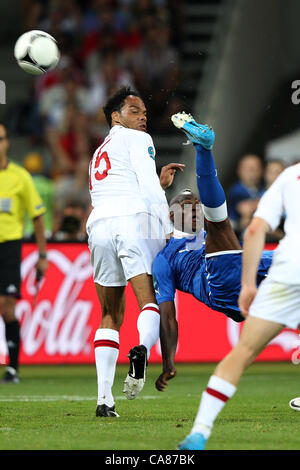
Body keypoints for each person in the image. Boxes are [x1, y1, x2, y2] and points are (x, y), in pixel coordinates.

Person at [176, 160, 300, 451]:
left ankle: (200, 431)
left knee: (242, 353)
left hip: (288, 269)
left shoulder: (289, 176)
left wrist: (248, 285)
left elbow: (255, 229)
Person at [152, 112, 273, 402]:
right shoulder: (165, 257)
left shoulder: (209, 238)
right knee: (219, 221)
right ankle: (203, 148)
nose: (193, 208)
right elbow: (168, 314)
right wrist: (168, 361)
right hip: (218, 286)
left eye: (196, 203)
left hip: (245, 276)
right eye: (186, 205)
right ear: (171, 215)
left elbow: (249, 257)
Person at [86, 87, 184, 418]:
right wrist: (167, 228)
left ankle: (104, 400)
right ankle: (141, 350)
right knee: (149, 301)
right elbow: (144, 190)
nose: (142, 116)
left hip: (99, 225)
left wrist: (159, 184)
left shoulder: (100, 151)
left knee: (109, 314)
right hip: (131, 221)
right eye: (134, 110)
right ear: (116, 116)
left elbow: (126, 185)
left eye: (144, 111)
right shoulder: (139, 141)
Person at [0, 123, 48, 383]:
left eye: (1, 139)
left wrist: (42, 256)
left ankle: (13, 367)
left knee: (7, 307)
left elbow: (37, 217)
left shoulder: (20, 177)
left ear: (7, 143)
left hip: (9, 246)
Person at [227, 154, 264, 238]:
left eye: (256, 168)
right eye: (249, 169)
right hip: (238, 237)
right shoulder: (236, 190)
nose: (253, 172)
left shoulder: (262, 189)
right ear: (239, 170)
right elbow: (245, 208)